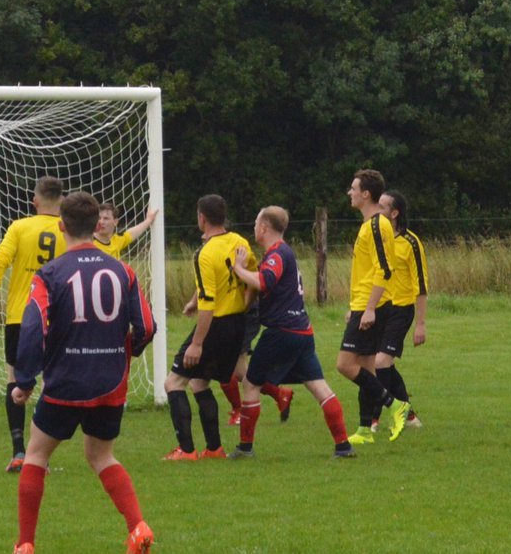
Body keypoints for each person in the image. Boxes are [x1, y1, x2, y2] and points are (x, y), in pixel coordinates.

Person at [11, 191, 157, 554]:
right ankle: (138, 527)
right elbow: (148, 327)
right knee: (102, 456)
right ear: (97, 226)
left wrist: (24, 382)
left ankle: (25, 544)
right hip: (109, 382)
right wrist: (128, 353)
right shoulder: (123, 271)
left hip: (65, 382)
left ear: (62, 227)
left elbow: (32, 330)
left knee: (36, 455)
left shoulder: (50, 274)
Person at [227, 206, 355, 458]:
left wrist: (238, 269)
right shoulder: (284, 253)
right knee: (319, 386)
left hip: (281, 332)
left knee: (251, 383)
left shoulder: (277, 254)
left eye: (255, 223)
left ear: (264, 228)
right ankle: (343, 445)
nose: (254, 227)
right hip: (302, 332)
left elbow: (265, 281)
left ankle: (245, 448)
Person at [0, 176, 67, 472]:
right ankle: (41, 455)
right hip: (59, 318)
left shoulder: (19, 227)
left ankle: (19, 452)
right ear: (61, 201)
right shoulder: (69, 230)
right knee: (54, 385)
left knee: (15, 384)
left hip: (22, 317)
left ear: (35, 200)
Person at [161, 195, 254, 460]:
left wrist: (197, 342)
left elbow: (209, 303)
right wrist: (241, 307)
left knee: (174, 382)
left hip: (216, 324)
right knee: (199, 382)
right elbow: (252, 282)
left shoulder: (204, 253)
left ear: (201, 217)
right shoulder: (239, 242)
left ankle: (186, 450)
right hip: (237, 323)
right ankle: (214, 448)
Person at [336, 169, 410, 445]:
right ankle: (365, 429)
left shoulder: (378, 225)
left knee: (345, 364)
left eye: (353, 188)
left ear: (366, 194)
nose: (350, 193)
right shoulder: (369, 225)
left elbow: (384, 270)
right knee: (366, 367)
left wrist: (368, 309)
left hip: (375, 305)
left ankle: (396, 405)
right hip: (366, 303)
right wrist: (355, 306)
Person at [369, 189, 428, 431]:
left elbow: (421, 285)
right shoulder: (375, 239)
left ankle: (374, 417)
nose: (376, 210)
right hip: (379, 309)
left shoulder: (411, 242)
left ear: (394, 213)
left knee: (381, 361)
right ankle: (407, 413)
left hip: (401, 310)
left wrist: (421, 324)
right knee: (382, 364)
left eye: (382, 207)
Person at [93, 203, 160, 259]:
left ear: (115, 222)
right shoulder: (88, 241)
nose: (101, 222)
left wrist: (148, 220)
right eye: (98, 218)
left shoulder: (116, 240)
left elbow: (132, 233)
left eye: (106, 218)